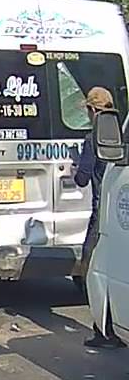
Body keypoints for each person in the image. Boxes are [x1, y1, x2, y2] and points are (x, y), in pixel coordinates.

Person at [74, 86, 125, 349]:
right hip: (119, 211)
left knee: (91, 267)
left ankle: (103, 330)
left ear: (93, 110)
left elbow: (83, 178)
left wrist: (76, 167)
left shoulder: (92, 138)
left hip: (101, 214)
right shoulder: (120, 135)